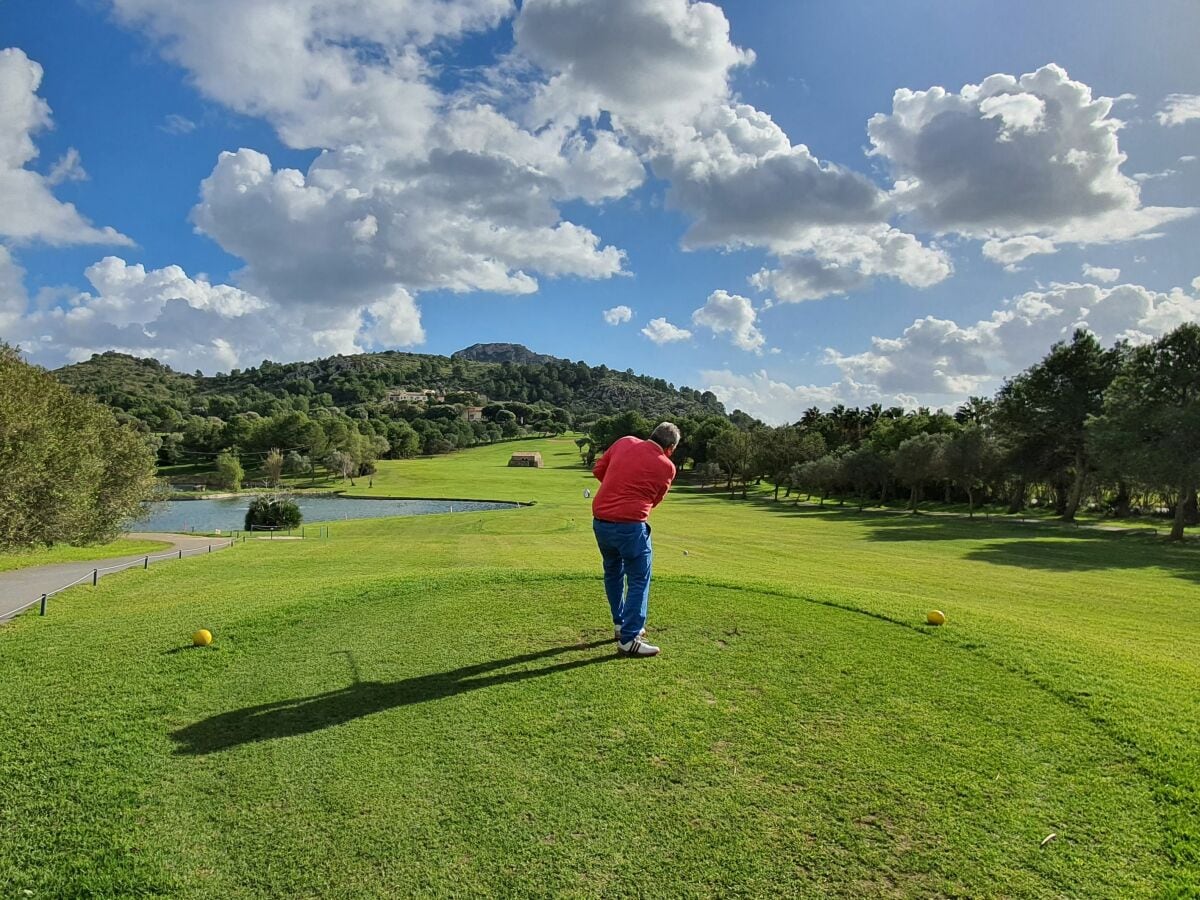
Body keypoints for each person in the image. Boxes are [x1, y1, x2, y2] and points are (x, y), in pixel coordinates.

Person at [591, 422, 680, 657]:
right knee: (639, 578)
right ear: (670, 448)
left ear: (651, 434)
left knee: (613, 571)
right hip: (630, 528)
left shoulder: (624, 441)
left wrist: (617, 489)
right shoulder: (667, 466)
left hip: (600, 522)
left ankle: (620, 625)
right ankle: (629, 638)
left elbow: (598, 471)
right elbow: (655, 499)